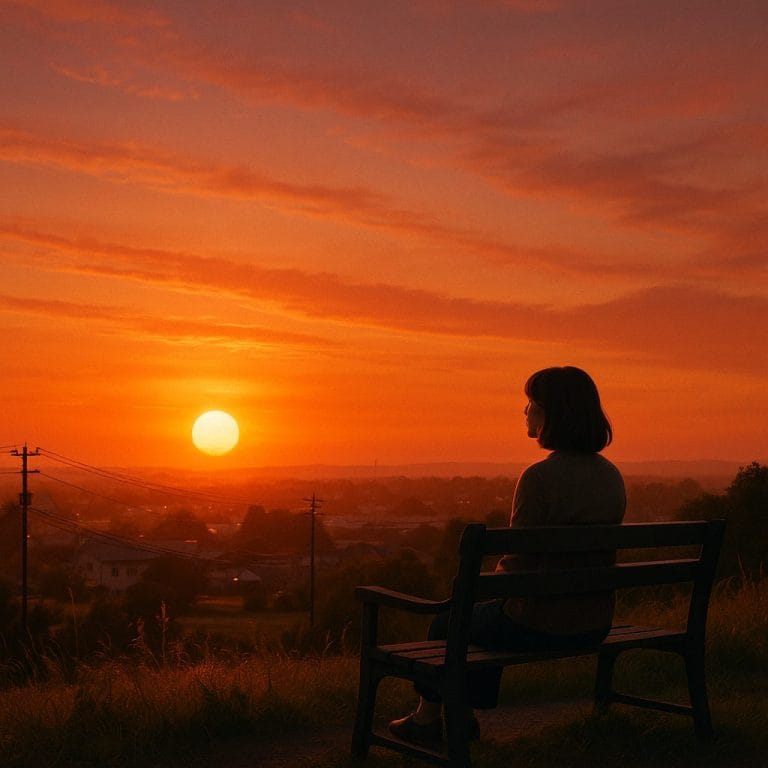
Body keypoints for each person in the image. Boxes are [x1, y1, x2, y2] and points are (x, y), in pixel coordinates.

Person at [388, 366, 626, 748]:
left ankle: (434, 718)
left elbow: (516, 568)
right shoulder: (611, 476)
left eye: (532, 403)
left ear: (554, 414)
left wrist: (488, 592)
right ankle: (454, 716)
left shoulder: (539, 478)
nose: (525, 411)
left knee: (449, 623)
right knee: (480, 617)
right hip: (595, 621)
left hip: (541, 625)